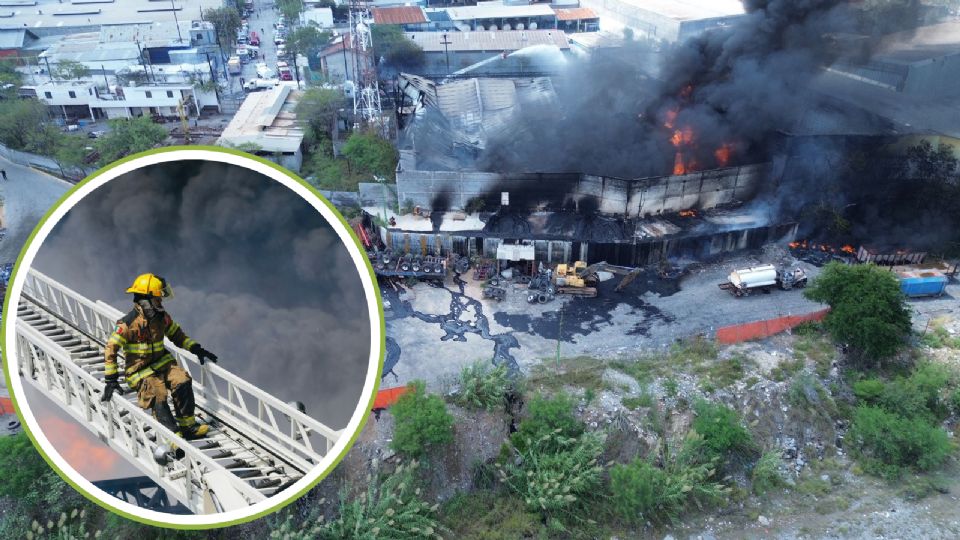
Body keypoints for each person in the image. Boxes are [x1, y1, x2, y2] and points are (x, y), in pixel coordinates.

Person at [100, 273, 218, 441]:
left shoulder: (162, 318)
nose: (161, 302)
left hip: (163, 365)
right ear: (146, 300)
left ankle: (188, 427)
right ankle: (173, 436)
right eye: (157, 299)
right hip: (140, 372)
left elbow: (177, 335)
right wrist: (111, 380)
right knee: (158, 393)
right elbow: (110, 348)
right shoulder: (128, 324)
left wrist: (196, 348)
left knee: (182, 380)